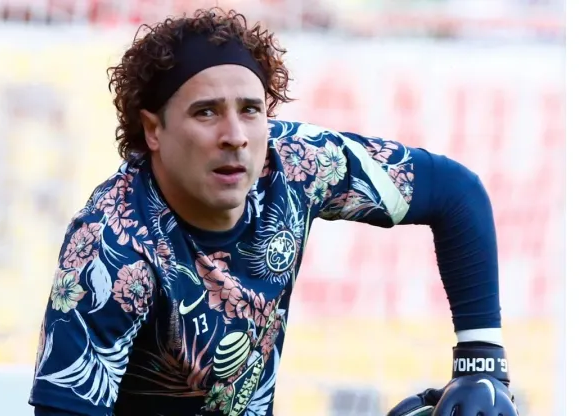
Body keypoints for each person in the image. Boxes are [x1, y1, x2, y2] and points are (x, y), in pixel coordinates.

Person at [28, 8, 518, 416]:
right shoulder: (110, 245)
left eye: (251, 109)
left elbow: (458, 194)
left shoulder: (296, 164)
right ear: (153, 130)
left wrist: (482, 362)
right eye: (206, 112)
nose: (235, 135)